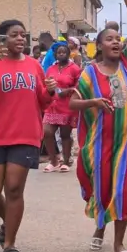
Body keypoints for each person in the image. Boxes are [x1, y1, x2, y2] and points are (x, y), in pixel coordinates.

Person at [0, 19, 56, 252]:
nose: (20, 39)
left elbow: (42, 101)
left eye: (23, 35)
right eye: (15, 34)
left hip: (26, 135)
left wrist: (49, 90)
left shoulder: (34, 66)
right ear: (1, 39)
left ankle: (10, 244)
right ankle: (9, 220)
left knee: (14, 189)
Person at [68, 0, 127, 252]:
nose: (116, 42)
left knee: (123, 189)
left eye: (118, 39)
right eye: (109, 39)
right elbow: (72, 105)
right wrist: (92, 102)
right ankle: (100, 227)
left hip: (126, 140)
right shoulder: (88, 73)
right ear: (98, 46)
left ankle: (118, 243)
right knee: (102, 188)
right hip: (98, 143)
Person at [42, 44, 81, 173]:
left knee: (65, 135)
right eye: (59, 52)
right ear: (55, 55)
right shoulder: (50, 69)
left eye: (64, 52)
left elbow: (79, 86)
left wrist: (69, 90)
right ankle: (53, 161)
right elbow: (45, 84)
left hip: (67, 106)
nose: (61, 54)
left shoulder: (74, 69)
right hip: (52, 106)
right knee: (46, 132)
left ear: (69, 54)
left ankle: (65, 161)